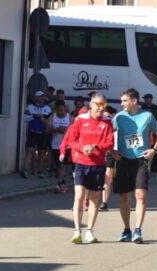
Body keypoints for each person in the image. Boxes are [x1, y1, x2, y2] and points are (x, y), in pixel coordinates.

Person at [60, 94, 114, 244]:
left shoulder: (107, 122)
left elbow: (110, 143)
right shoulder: (80, 119)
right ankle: (77, 231)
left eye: (103, 105)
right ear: (91, 104)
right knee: (79, 195)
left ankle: (90, 230)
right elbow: (71, 140)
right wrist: (82, 148)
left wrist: (96, 147)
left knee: (95, 199)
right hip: (81, 163)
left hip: (98, 164)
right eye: (98, 104)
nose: (100, 108)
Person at [112, 88, 157, 243]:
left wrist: (154, 150)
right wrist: (113, 152)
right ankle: (126, 229)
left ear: (134, 101)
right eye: (121, 101)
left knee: (140, 195)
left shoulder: (147, 116)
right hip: (123, 160)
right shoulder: (119, 117)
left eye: (124, 101)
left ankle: (138, 230)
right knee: (124, 197)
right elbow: (108, 135)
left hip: (141, 160)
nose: (121, 104)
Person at [21, 91, 52, 178]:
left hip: (42, 133)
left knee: (41, 153)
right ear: (36, 98)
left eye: (43, 97)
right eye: (40, 97)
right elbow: (24, 118)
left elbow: (50, 122)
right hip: (32, 132)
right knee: (29, 151)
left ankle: (40, 172)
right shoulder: (30, 107)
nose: (42, 98)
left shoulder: (47, 108)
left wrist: (42, 119)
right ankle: (25, 170)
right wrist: (33, 116)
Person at [48, 100, 71, 193]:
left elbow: (74, 131)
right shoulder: (52, 117)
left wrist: (65, 130)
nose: (60, 111)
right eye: (58, 110)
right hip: (55, 144)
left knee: (62, 164)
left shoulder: (69, 117)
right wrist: (56, 129)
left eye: (62, 109)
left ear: (65, 108)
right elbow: (48, 130)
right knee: (58, 165)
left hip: (66, 146)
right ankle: (63, 183)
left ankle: (58, 183)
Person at [100, 105, 118, 211]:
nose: (106, 118)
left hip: (121, 152)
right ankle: (104, 202)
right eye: (104, 116)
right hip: (109, 152)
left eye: (108, 116)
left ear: (112, 115)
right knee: (108, 178)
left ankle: (126, 200)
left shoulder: (119, 122)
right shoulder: (104, 125)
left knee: (123, 177)